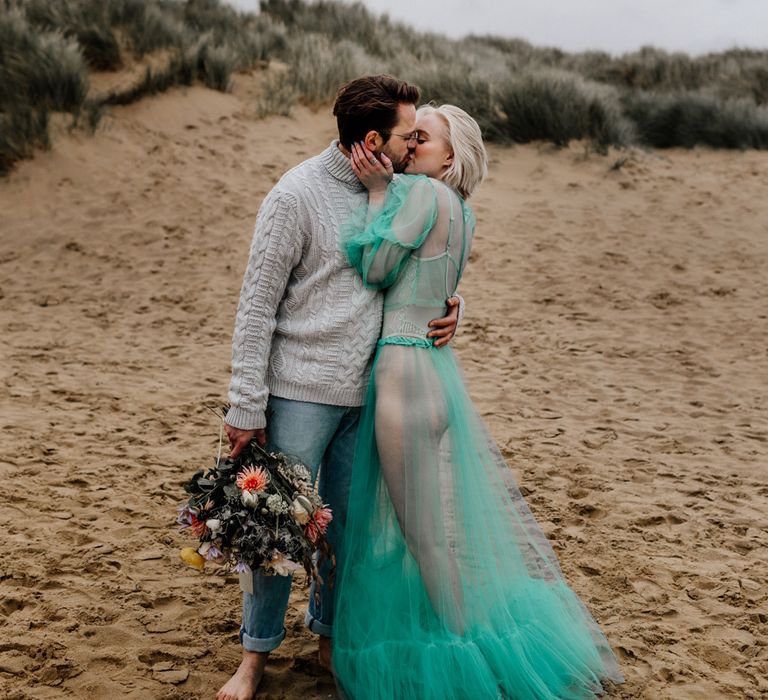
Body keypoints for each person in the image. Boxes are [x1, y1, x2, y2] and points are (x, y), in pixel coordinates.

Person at [332, 104, 625, 699]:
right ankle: (469, 640)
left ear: (452, 157)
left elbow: (376, 266)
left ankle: (474, 662)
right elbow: (436, 285)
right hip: (436, 377)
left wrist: (374, 194)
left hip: (405, 376)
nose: (411, 146)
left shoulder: (421, 196)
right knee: (430, 536)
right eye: (410, 136)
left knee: (426, 542)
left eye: (423, 138)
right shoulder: (460, 211)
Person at [216, 76, 464, 700]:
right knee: (275, 532)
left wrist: (454, 306)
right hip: (299, 391)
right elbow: (255, 307)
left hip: (374, 396)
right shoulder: (295, 194)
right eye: (410, 135)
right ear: (376, 139)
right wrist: (246, 406)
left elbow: (420, 271)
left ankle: (327, 635)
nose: (416, 146)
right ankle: (253, 657)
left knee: (347, 531)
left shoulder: (403, 193)